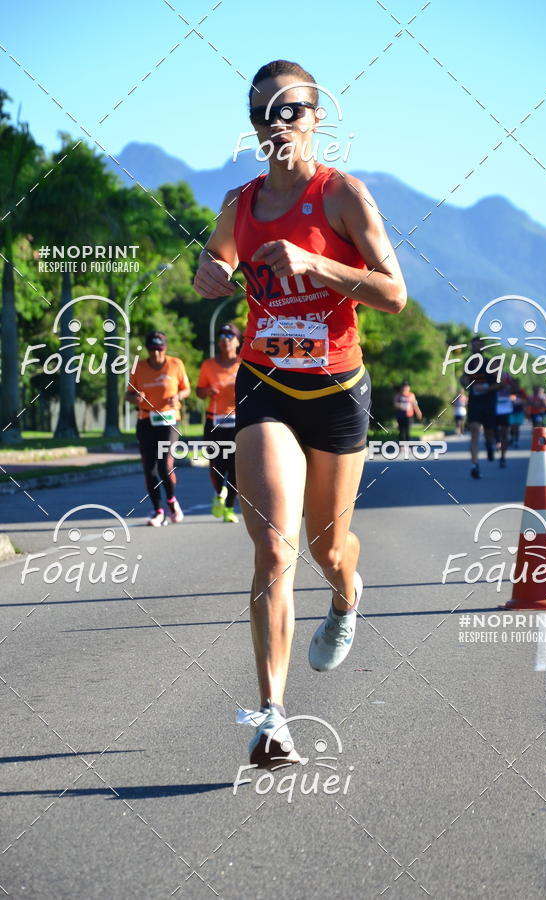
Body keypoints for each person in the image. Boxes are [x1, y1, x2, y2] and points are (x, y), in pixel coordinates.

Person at [193, 59, 406, 768]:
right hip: (266, 384)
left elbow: (394, 293)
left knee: (326, 549)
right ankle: (272, 718)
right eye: (264, 113)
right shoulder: (239, 203)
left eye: (291, 109)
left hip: (337, 391)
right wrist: (209, 272)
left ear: (317, 118)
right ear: (253, 126)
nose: (277, 123)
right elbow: (215, 262)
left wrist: (318, 266)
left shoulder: (342, 195)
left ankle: (346, 598)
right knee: (273, 547)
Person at [126, 330, 191, 526]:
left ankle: (171, 501)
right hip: (146, 420)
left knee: (164, 465)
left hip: (169, 420)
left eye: (159, 349)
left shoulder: (176, 364)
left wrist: (177, 396)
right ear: (148, 349)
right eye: (152, 350)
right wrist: (135, 398)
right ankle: (158, 510)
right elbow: (128, 394)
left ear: (165, 348)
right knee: (149, 468)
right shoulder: (138, 367)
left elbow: (186, 389)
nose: (156, 354)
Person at [196, 323, 241, 523]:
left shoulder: (244, 364)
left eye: (230, 336)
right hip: (214, 422)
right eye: (221, 336)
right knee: (216, 464)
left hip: (238, 421)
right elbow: (199, 391)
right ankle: (218, 493)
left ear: (238, 341)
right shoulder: (208, 365)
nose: (225, 340)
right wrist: (207, 391)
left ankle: (229, 507)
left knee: (236, 466)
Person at [460, 336, 499, 479]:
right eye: (473, 345)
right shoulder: (469, 364)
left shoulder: (490, 363)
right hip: (474, 402)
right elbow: (464, 379)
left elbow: (501, 383)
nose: (476, 347)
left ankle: (490, 445)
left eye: (478, 345)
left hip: (489, 402)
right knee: (475, 431)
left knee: (489, 431)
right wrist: (464, 382)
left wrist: (487, 388)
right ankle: (475, 465)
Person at [494, 372, 514, 468]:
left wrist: (506, 386)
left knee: (505, 434)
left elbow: (513, 390)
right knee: (494, 430)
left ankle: (503, 457)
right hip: (493, 408)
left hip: (506, 409)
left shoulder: (507, 376)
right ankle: (497, 441)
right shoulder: (491, 375)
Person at [508, 379, 527, 448]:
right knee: (512, 426)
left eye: (515, 383)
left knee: (517, 427)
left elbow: (525, 400)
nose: (514, 385)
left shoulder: (521, 391)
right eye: (513, 383)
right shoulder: (509, 391)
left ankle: (516, 441)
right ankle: (512, 438)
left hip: (519, 411)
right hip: (510, 411)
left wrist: (519, 401)